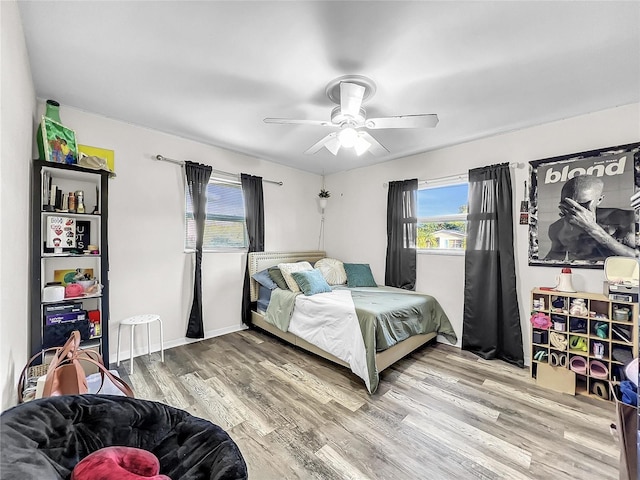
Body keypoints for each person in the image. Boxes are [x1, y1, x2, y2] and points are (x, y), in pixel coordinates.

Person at [544, 174, 635, 261]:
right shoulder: (557, 228)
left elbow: (636, 258)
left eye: (582, 205)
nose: (574, 209)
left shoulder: (626, 219)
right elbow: (554, 258)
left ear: (599, 200)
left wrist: (592, 228)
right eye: (567, 204)